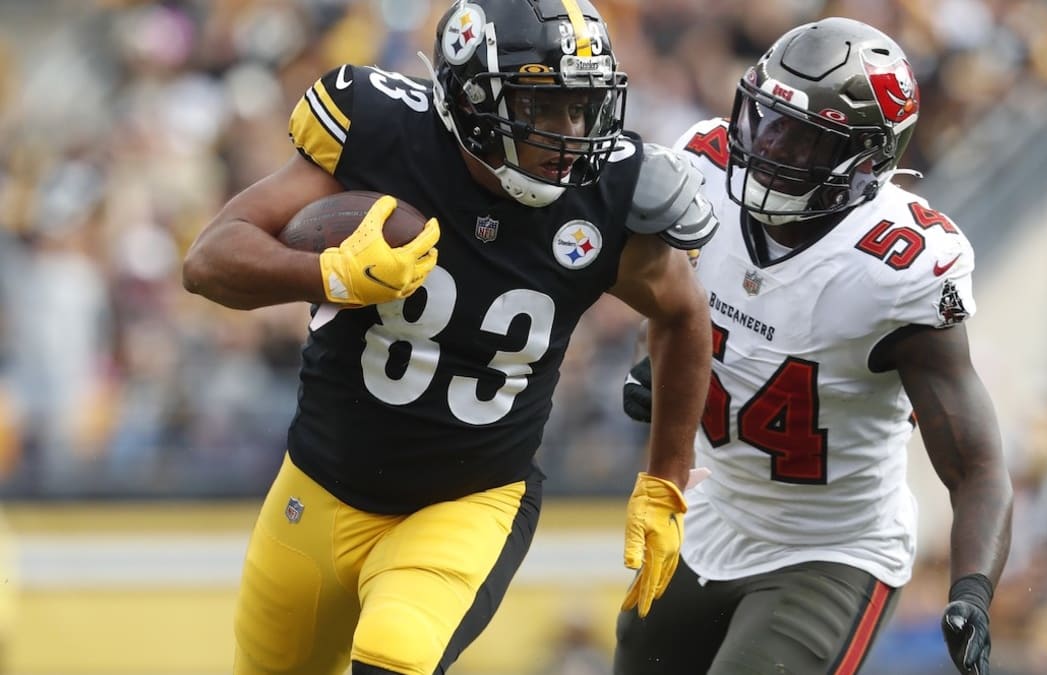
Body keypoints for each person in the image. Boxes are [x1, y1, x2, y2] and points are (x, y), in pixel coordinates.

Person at [181, 1, 717, 673]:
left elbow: (683, 312)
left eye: (581, 107)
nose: (568, 132)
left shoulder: (608, 195)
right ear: (470, 100)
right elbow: (209, 260)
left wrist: (664, 479)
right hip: (318, 487)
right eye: (541, 107)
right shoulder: (385, 140)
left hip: (468, 500)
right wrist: (329, 273)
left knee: (395, 656)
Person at [615, 17, 1013, 675]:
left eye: (801, 140)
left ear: (863, 162)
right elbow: (676, 302)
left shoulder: (900, 267)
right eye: (765, 118)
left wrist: (972, 589)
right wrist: (660, 363)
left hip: (829, 549)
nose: (767, 145)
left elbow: (977, 466)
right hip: (711, 512)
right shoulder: (703, 170)